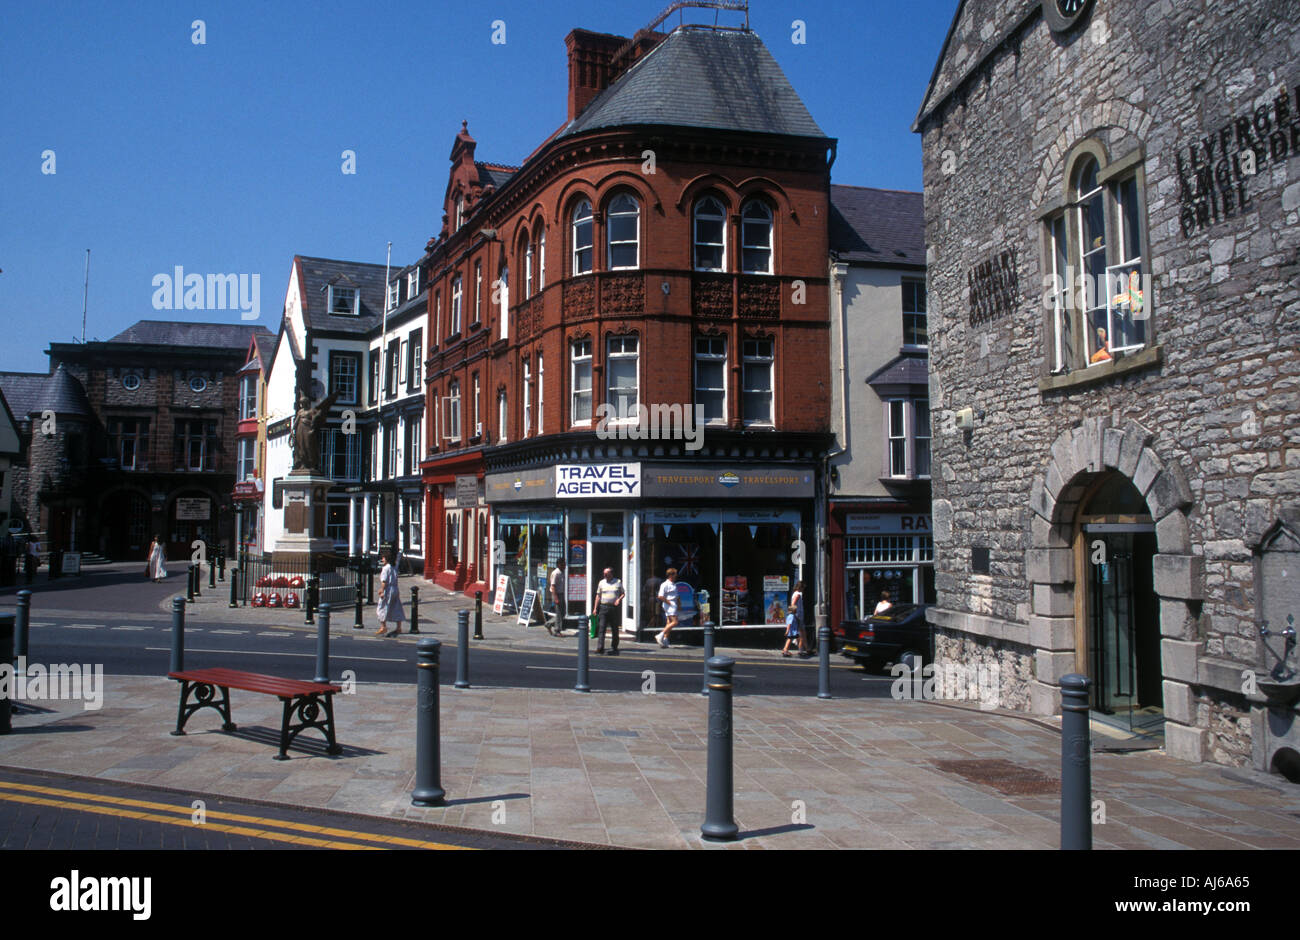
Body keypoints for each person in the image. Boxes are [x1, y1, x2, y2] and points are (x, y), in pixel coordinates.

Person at [592, 566, 624, 655]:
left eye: (606, 573)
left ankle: (614, 646)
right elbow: (598, 596)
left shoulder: (618, 582)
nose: (604, 575)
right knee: (601, 628)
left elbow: (623, 593)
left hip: (613, 608)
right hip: (603, 607)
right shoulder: (601, 582)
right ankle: (600, 647)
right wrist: (595, 608)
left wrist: (619, 599)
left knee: (615, 628)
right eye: (604, 573)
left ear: (611, 573)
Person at [376, 550, 406, 637]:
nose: (382, 559)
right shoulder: (394, 567)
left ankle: (383, 627)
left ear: (387, 558)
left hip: (388, 590)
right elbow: (398, 561)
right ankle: (399, 628)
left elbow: (384, 581)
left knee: (382, 607)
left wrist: (381, 590)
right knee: (396, 607)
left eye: (383, 558)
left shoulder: (385, 568)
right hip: (395, 589)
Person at [655, 568, 679, 648]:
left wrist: (679, 604)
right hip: (670, 605)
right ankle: (660, 635)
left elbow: (676, 596)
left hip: (672, 604)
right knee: (675, 622)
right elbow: (660, 596)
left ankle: (665, 640)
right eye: (675, 574)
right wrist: (669, 602)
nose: (676, 575)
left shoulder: (673, 584)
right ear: (670, 575)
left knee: (669, 623)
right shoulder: (665, 584)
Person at [548, 559, 567, 636]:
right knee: (559, 613)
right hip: (557, 594)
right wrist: (555, 598)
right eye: (563, 564)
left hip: (561, 594)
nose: (565, 566)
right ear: (559, 564)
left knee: (563, 612)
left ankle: (549, 624)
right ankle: (557, 630)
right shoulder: (556, 573)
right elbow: (553, 586)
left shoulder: (562, 572)